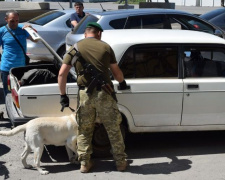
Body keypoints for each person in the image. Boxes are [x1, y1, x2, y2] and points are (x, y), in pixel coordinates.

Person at [58, 22, 128, 173]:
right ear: (99, 33)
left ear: (85, 33)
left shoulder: (75, 48)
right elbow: (116, 72)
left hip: (85, 95)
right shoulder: (105, 47)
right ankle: (121, 163)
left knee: (84, 129)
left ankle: (84, 164)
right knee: (113, 129)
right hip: (105, 93)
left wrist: (63, 95)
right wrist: (122, 83)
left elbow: (62, 74)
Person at [0, 10, 38, 99]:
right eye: (12, 21)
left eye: (17, 20)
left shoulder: (22, 29)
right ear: (6, 19)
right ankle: (10, 111)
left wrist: (31, 29)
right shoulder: (2, 31)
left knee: (20, 93)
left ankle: (19, 112)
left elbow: (36, 39)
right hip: (6, 68)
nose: (15, 23)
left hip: (21, 68)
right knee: (8, 94)